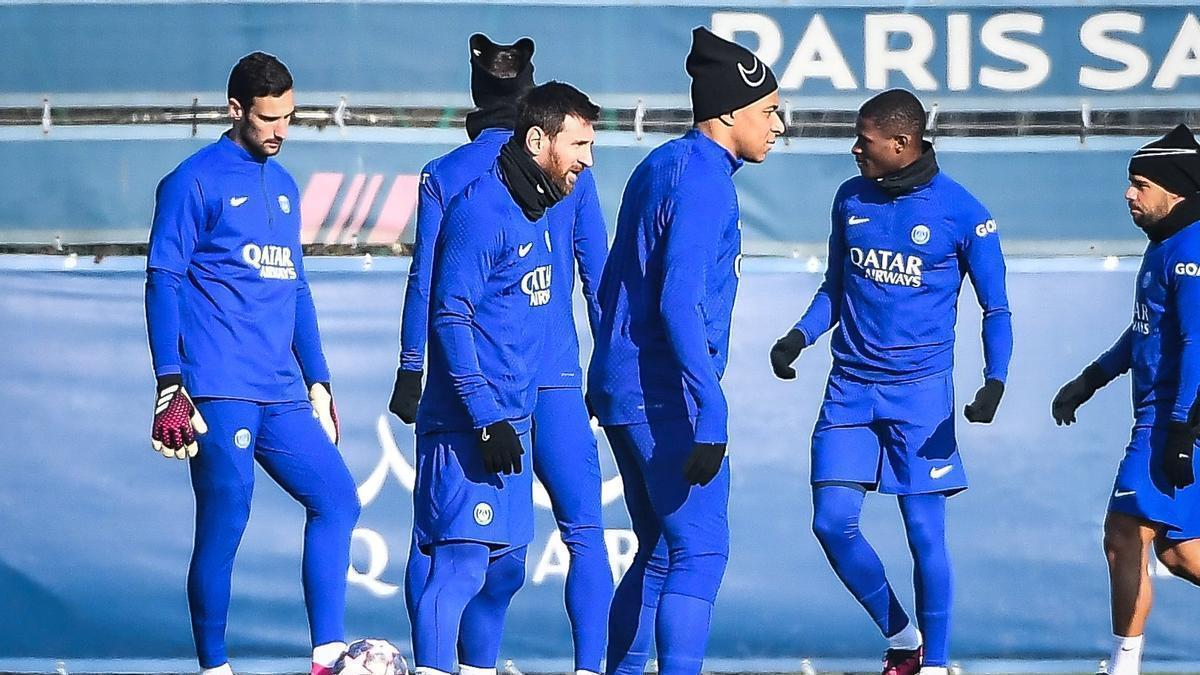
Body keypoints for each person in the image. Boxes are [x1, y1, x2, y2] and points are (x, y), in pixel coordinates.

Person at [388, 35, 611, 675]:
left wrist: (412, 367)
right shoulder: (555, 178)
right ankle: (588, 667)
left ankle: (454, 662)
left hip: (481, 383)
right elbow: (598, 278)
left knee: (441, 543)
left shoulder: (450, 172)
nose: (587, 157)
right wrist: (609, 369)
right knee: (579, 536)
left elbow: (425, 283)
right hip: (551, 378)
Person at [769, 89, 1012, 675]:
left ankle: (937, 663)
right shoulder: (849, 198)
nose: (855, 148)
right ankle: (903, 637)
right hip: (850, 389)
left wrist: (994, 381)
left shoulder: (963, 212)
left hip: (921, 398)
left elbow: (996, 309)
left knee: (924, 536)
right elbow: (836, 286)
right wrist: (799, 335)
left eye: (865, 140)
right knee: (831, 523)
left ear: (902, 143)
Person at [144, 52, 360, 675]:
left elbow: (294, 287)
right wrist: (169, 381)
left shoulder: (286, 187)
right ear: (236, 109)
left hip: (282, 390)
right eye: (268, 118)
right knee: (226, 519)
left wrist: (318, 379)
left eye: (289, 117)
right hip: (218, 388)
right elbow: (163, 279)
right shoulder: (193, 181)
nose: (280, 131)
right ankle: (215, 667)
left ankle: (327, 658)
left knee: (338, 499)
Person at [587, 27, 785, 675]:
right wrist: (712, 409)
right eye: (769, 111)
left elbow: (617, 280)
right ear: (728, 111)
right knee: (700, 551)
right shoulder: (706, 181)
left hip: (623, 386)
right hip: (665, 393)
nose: (779, 125)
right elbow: (677, 304)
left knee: (660, 551)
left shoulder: (659, 164)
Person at [1051, 124, 1200, 675]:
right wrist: (1092, 378)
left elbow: (1196, 344)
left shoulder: (1192, 249)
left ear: (1175, 191)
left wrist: (1182, 432)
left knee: (1123, 534)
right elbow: (1147, 333)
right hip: (1167, 418)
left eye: (1140, 183)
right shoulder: (1165, 245)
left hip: (1170, 420)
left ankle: (1123, 667)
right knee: (1180, 553)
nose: (1128, 194)